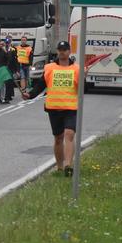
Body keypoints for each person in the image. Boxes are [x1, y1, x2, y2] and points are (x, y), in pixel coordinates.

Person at [24, 41, 79, 177]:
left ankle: (68, 166)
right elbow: (41, 85)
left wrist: (84, 76)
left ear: (69, 51)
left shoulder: (77, 69)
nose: (62, 52)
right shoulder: (50, 68)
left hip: (70, 108)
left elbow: (81, 87)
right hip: (53, 108)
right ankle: (60, 167)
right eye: (60, 49)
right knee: (58, 138)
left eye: (65, 49)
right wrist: (30, 94)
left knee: (69, 135)